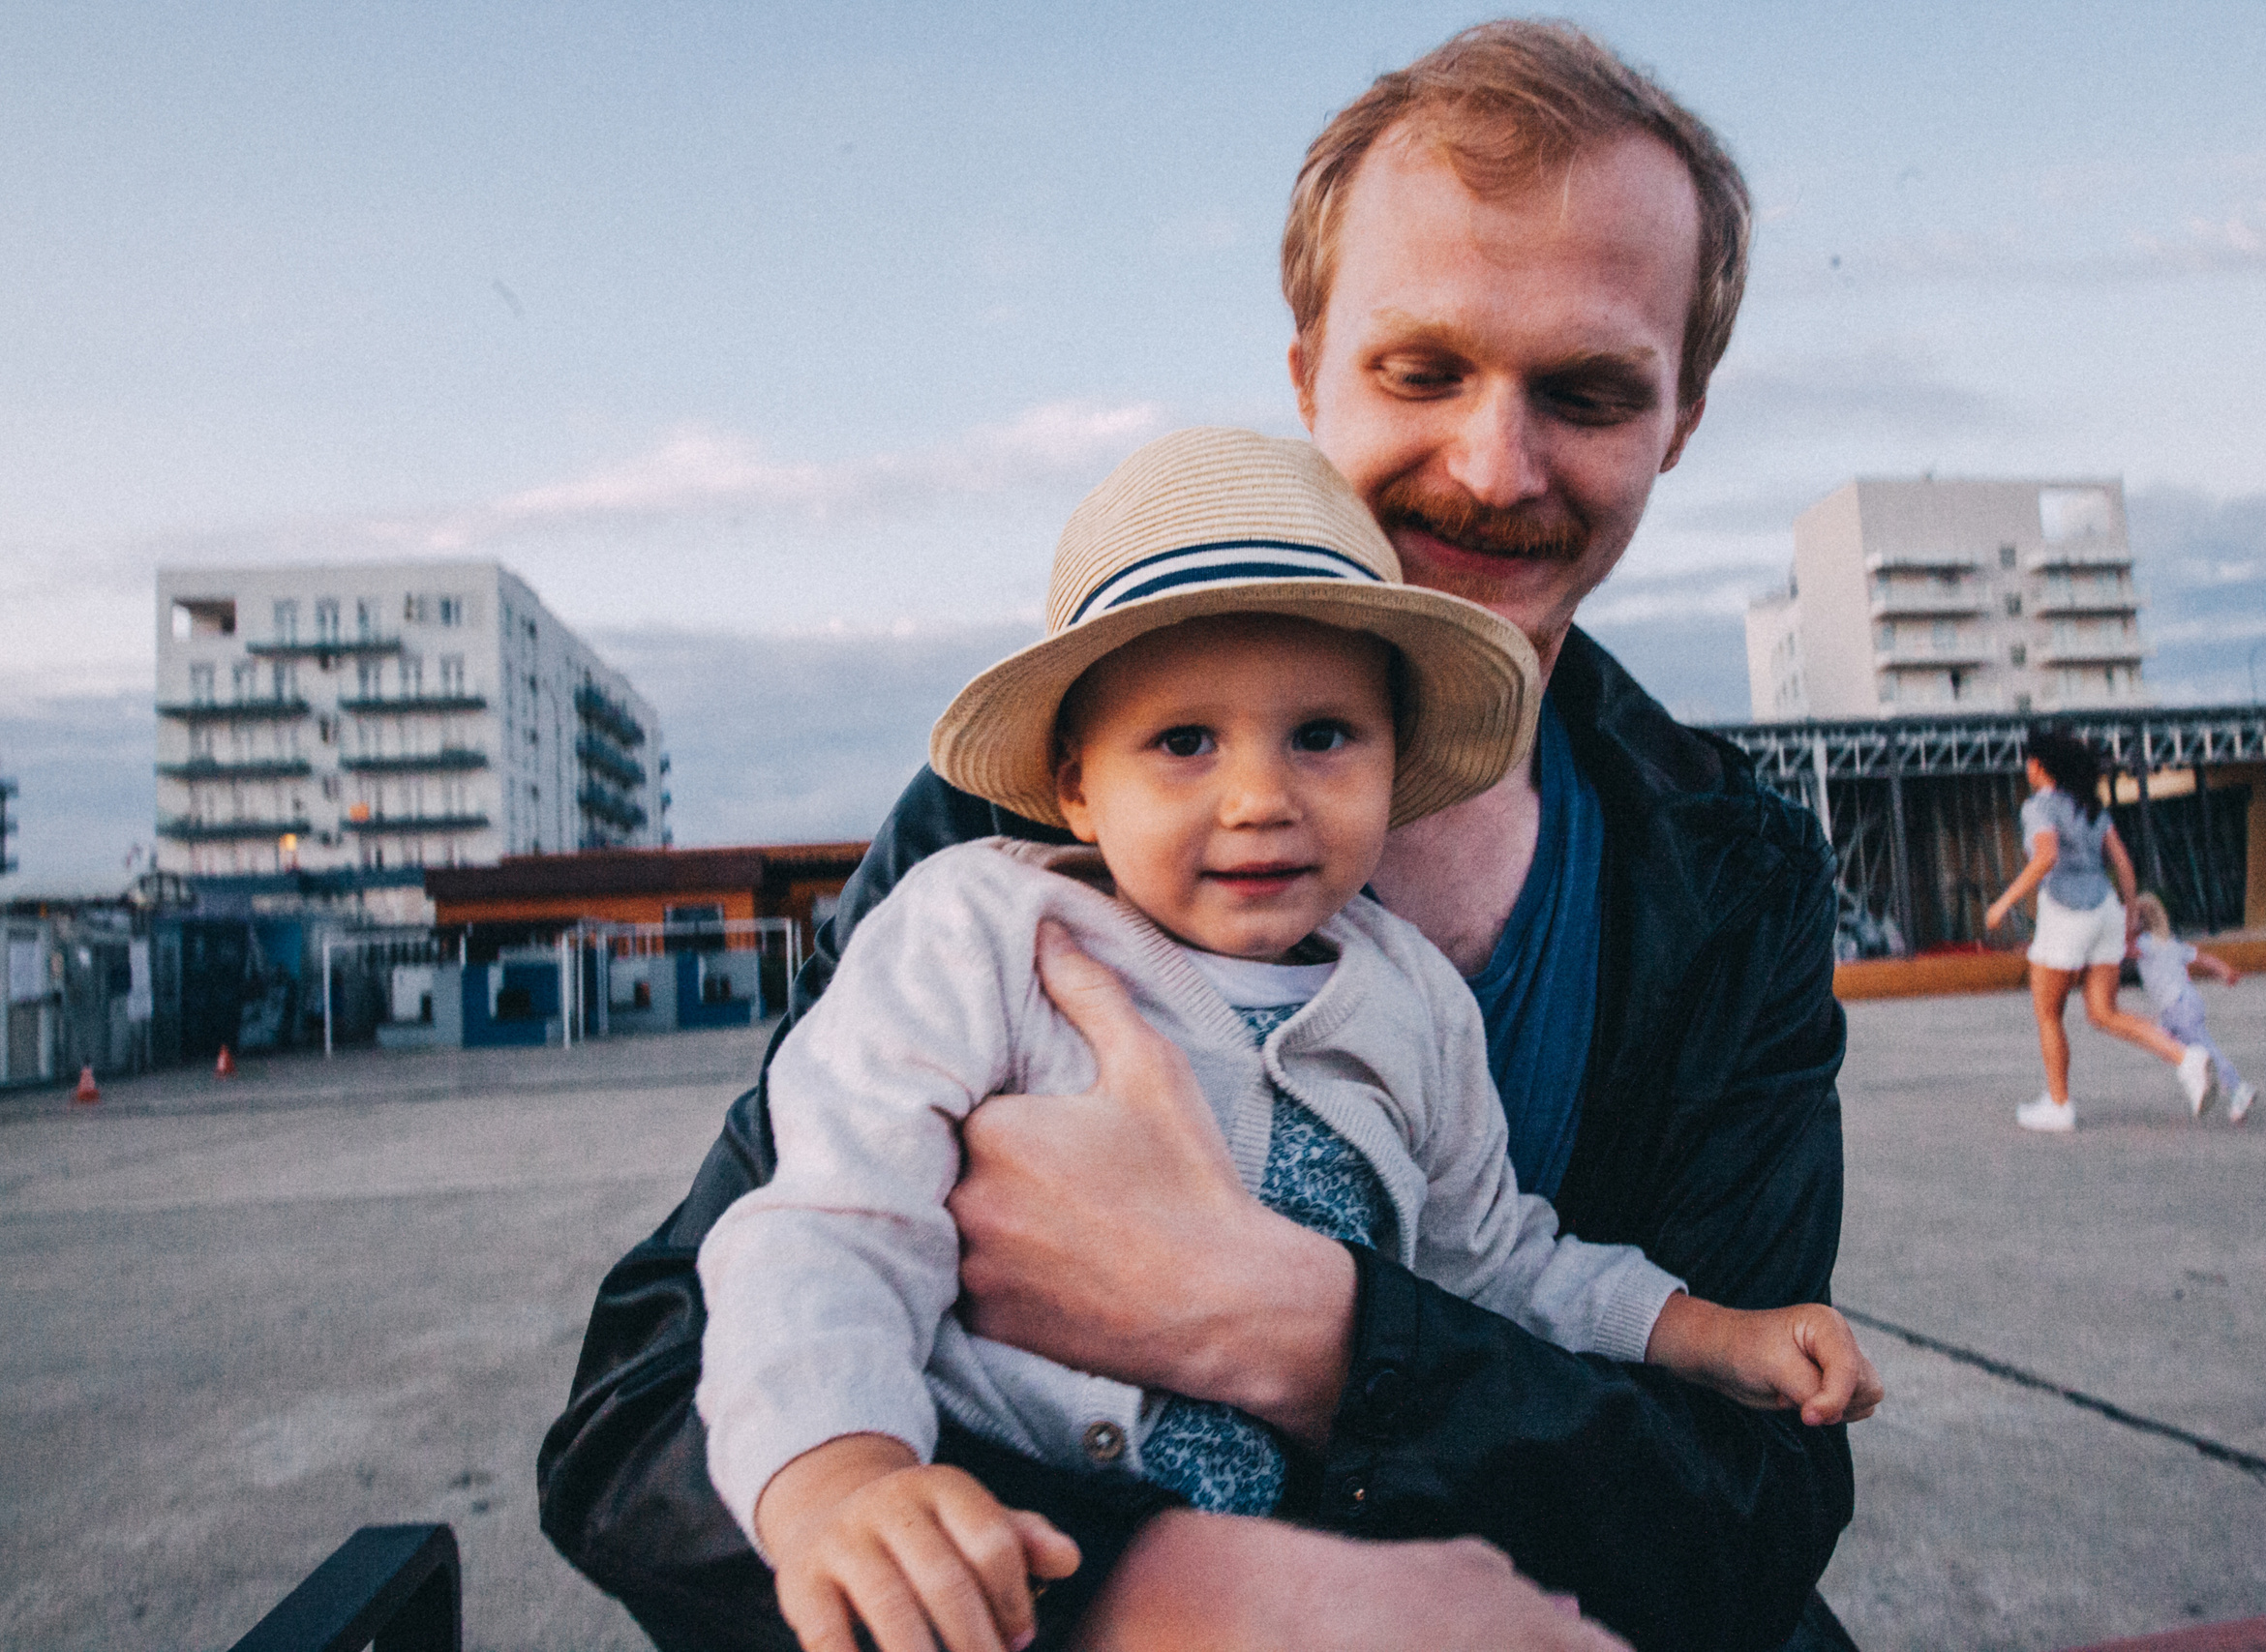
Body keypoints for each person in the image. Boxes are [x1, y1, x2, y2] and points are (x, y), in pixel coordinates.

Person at [542, 21, 1863, 1652]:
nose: (1492, 463)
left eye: (1586, 391)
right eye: (1423, 369)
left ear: (1681, 419)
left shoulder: (1731, 878)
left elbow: (1751, 1514)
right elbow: (646, 1413)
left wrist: (1307, 1334)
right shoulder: (1000, 849)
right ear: (1308, 370)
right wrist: (1147, 1591)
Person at [702, 428, 1881, 1652]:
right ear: (1073, 784)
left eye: (1322, 735)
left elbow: (1495, 1263)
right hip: (1027, 1568)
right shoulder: (973, 932)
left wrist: (1706, 1332)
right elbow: (831, 1226)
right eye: (1184, 742)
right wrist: (840, 1476)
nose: (1260, 796)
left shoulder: (1411, 1000)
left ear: (1394, 760)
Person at [1982, 730, 2215, 1131]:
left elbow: (2046, 856)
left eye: (2029, 761)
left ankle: (2059, 1106)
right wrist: (2127, 918)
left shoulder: (2039, 807)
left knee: (2049, 1013)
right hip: (2106, 908)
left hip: (2066, 912)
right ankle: (2187, 1059)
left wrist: (2004, 902)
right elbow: (2123, 864)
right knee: (2105, 1012)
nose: (2026, 768)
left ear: (2040, 766)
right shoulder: (2090, 807)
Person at [2129, 892, 2257, 1124]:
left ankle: (2238, 1089)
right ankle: (2204, 1079)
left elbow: (2123, 950)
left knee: (2203, 1050)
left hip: (2178, 1007)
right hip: (2183, 1004)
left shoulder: (2143, 944)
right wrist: (2224, 971)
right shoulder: (2170, 943)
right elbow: (2203, 959)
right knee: (2164, 1042)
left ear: (2139, 921)